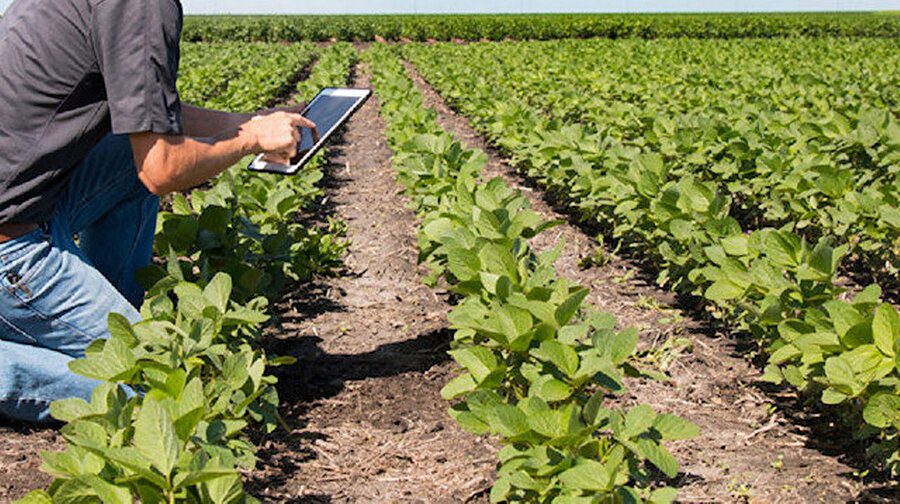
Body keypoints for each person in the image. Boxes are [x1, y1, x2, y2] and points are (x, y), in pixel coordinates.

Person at [0, 0, 315, 423]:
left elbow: (153, 118)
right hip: (12, 245)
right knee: (167, 382)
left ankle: (104, 320)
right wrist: (251, 141)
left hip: (30, 203)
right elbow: (161, 169)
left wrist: (248, 121)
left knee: (129, 155)